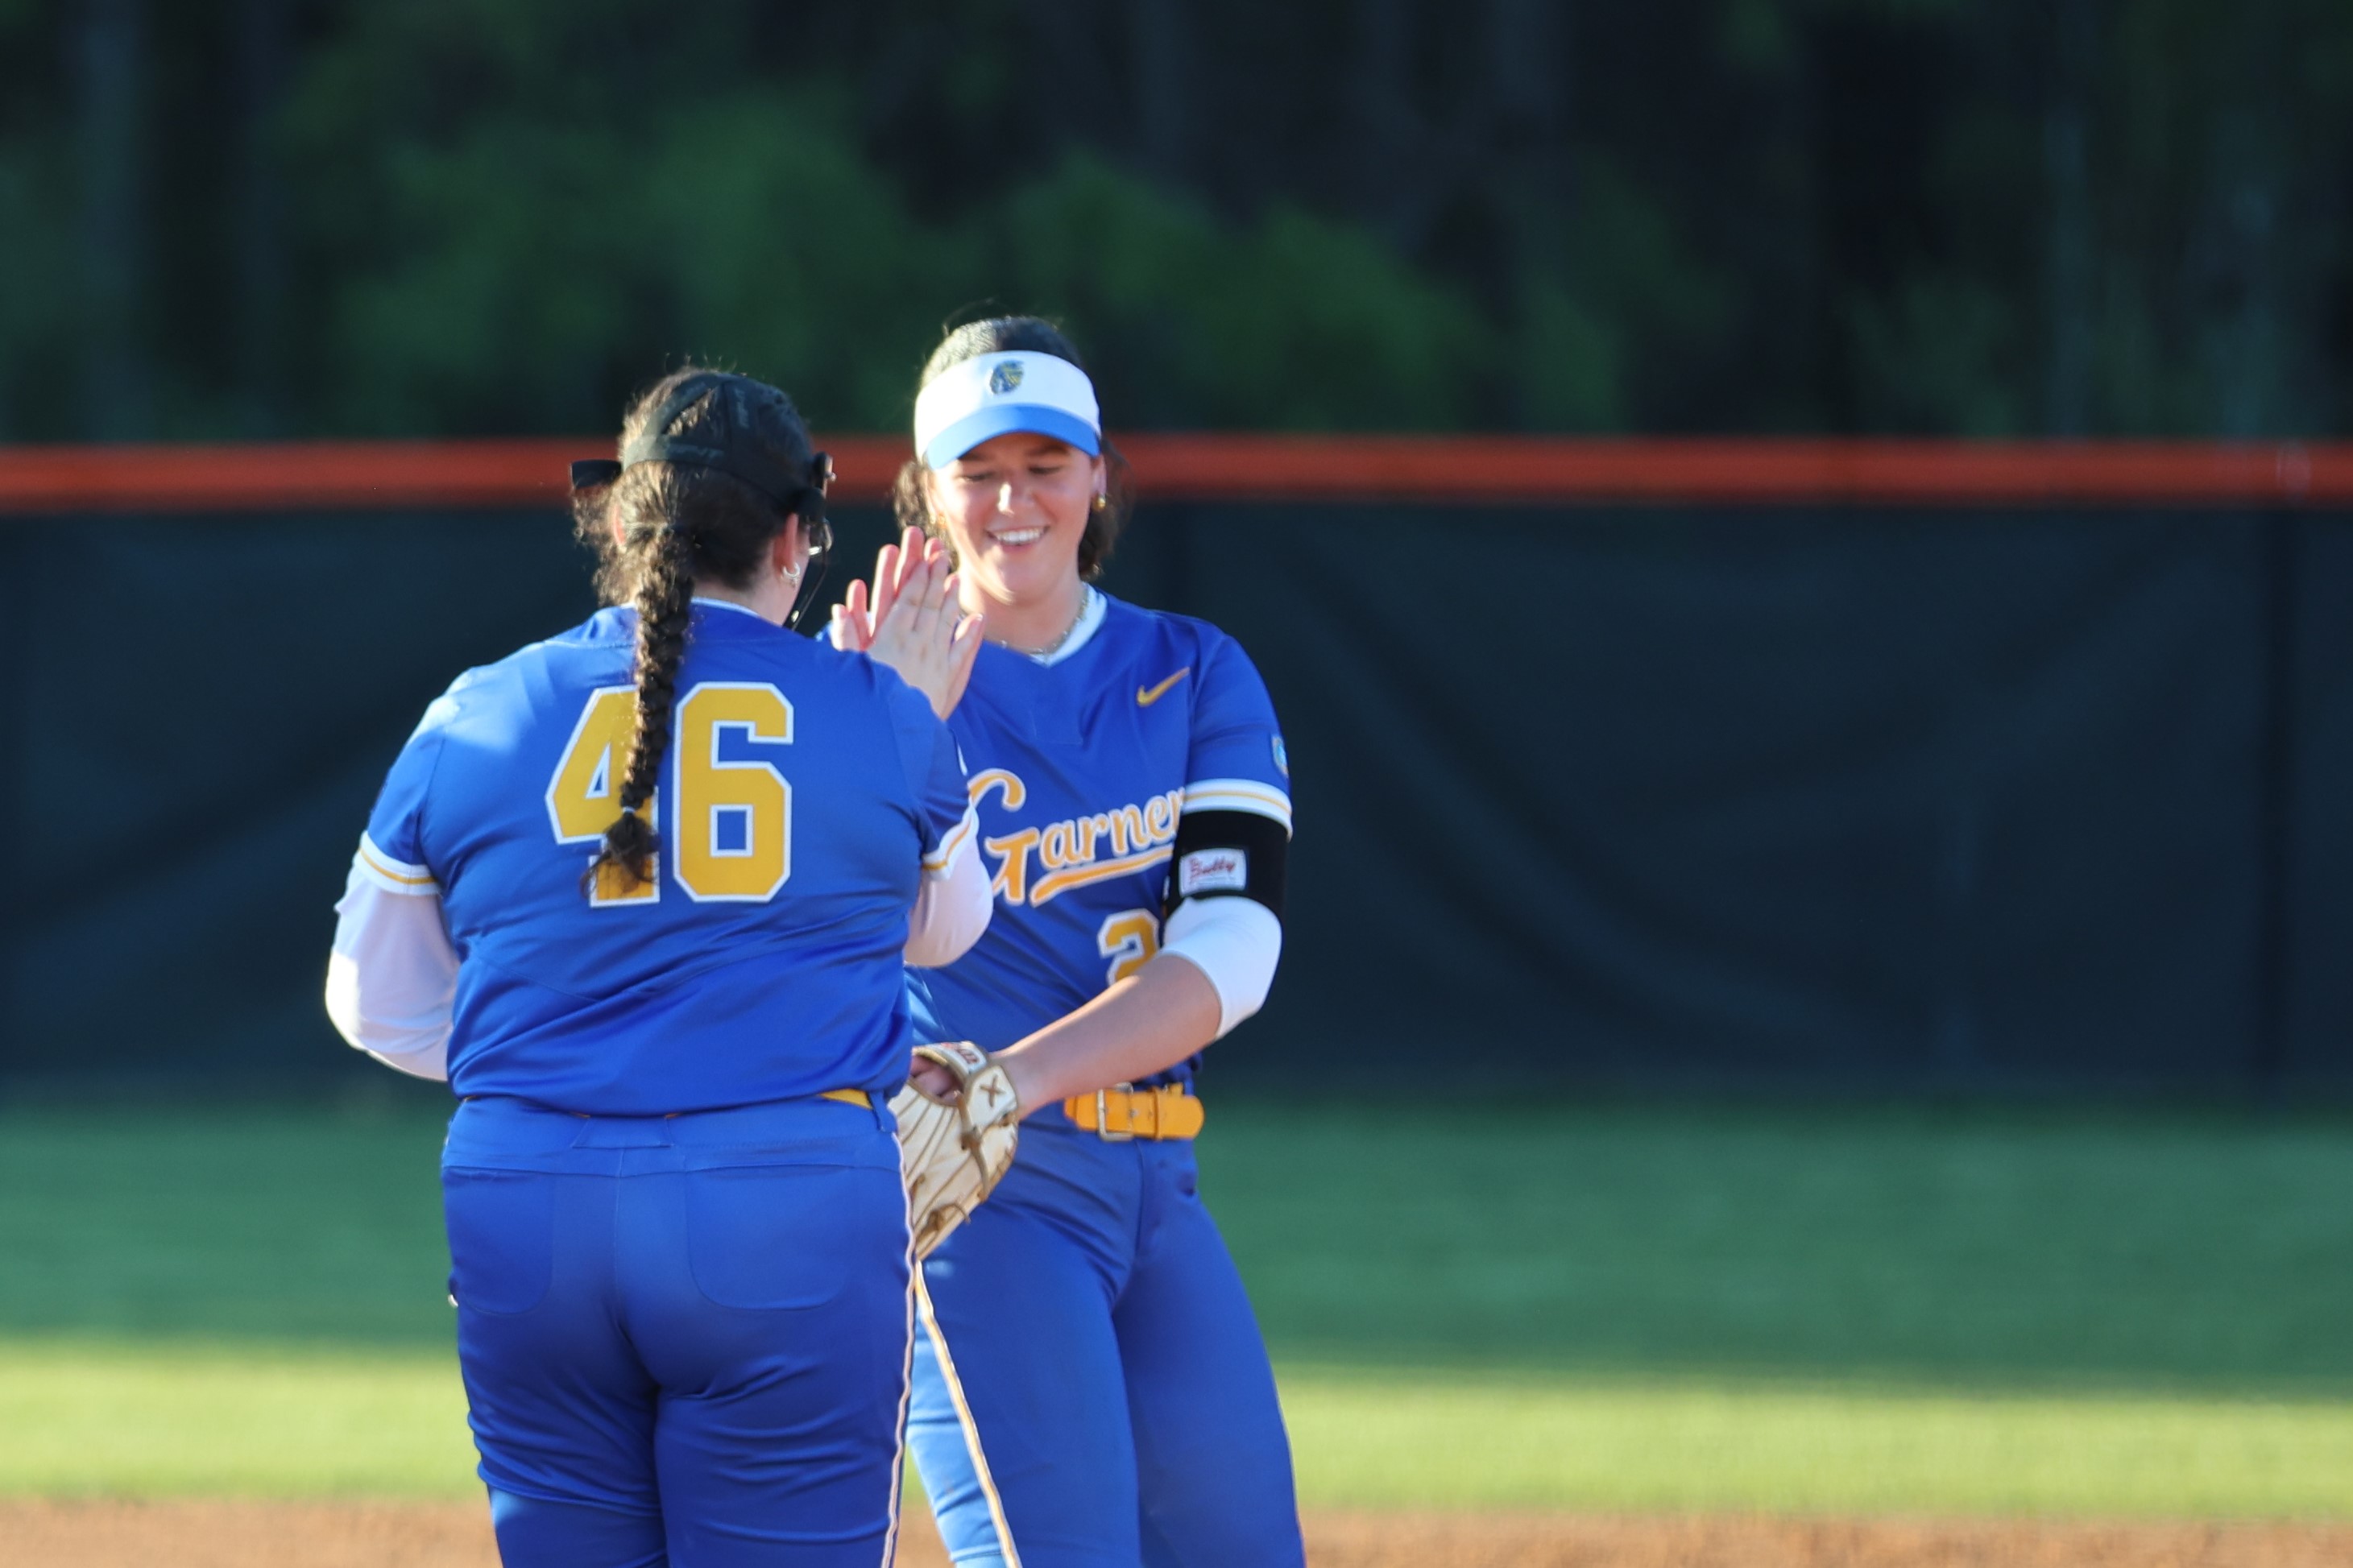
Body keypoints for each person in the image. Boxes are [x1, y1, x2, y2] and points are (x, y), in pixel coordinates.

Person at [323, 368, 988, 1567]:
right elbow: (945, 930)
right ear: (793, 539)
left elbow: (371, 1003)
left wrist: (560, 1057)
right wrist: (902, 706)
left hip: (528, 1200)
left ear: (623, 527)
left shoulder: (475, 711)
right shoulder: (880, 715)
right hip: (782, 1200)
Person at [831, 319, 1303, 1567]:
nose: (1014, 501)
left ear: (1098, 475)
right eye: (978, 471)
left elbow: (1235, 948)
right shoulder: (861, 683)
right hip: (978, 1192)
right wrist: (884, 730)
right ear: (924, 493)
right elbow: (815, 941)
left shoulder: (1190, 670)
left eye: (1045, 465)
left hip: (1158, 1181)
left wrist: (1019, 1076)